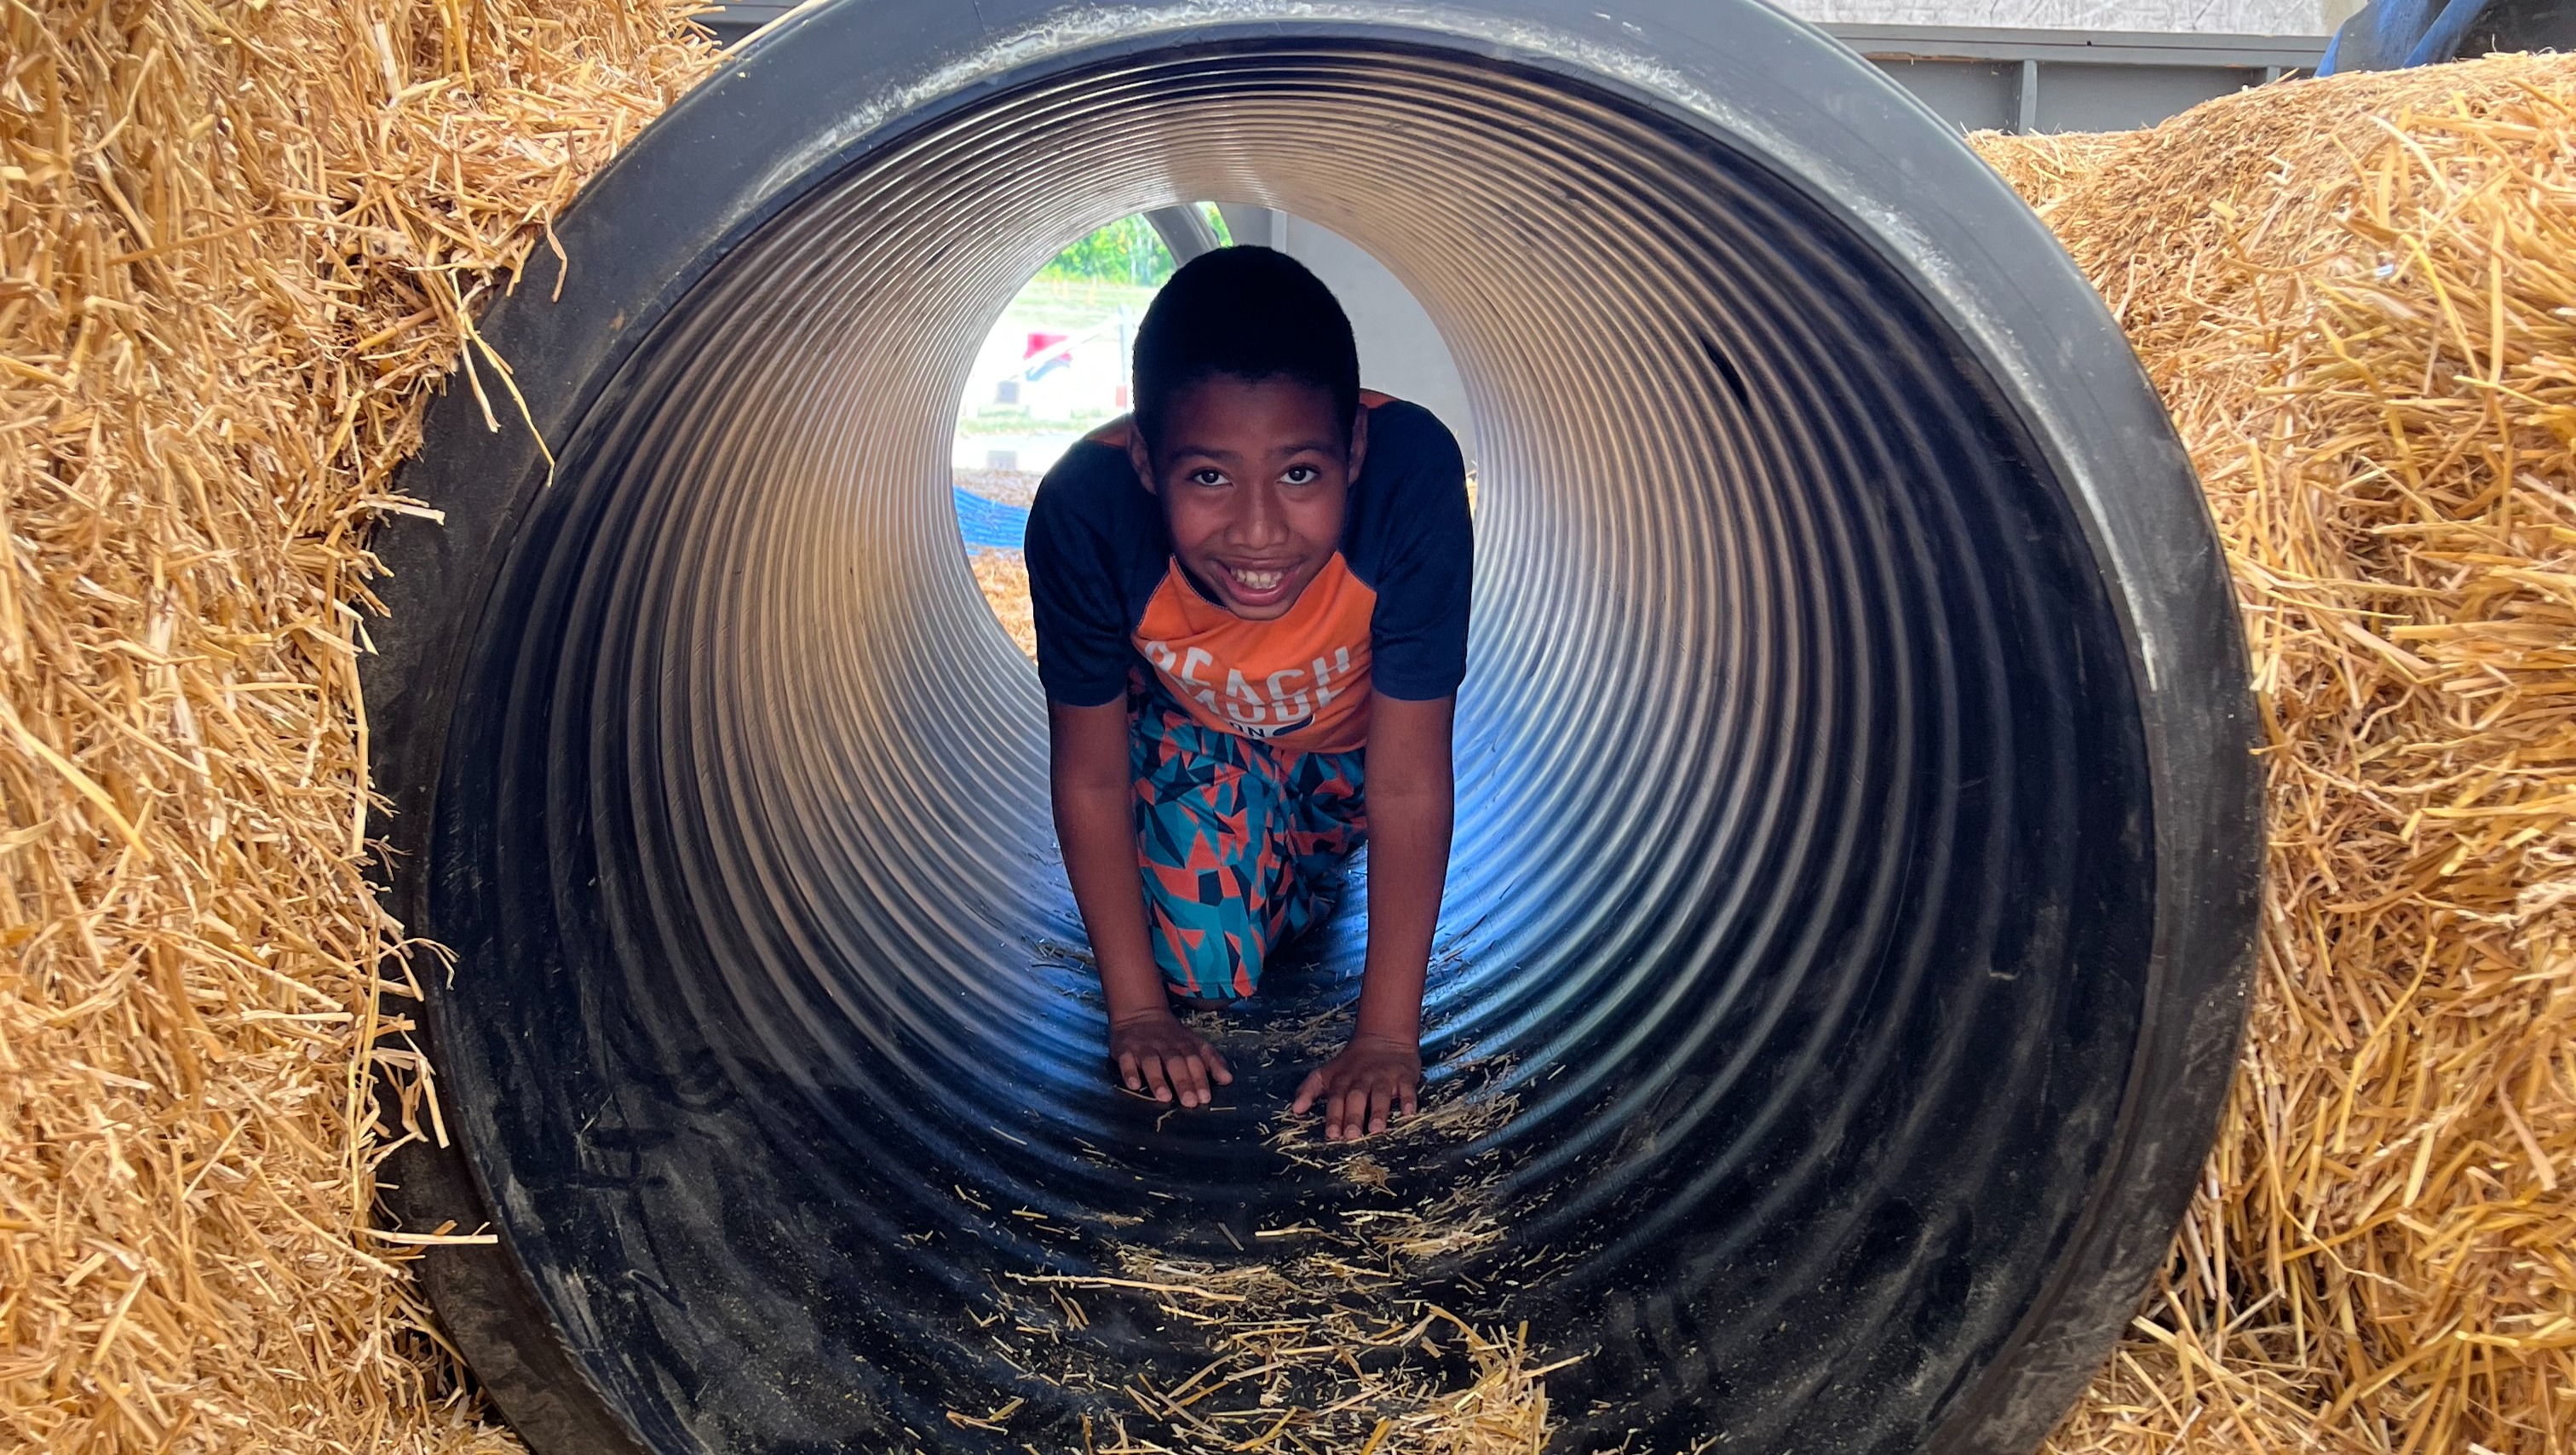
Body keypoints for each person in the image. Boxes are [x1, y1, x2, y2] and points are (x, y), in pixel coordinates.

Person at [1026, 245, 1471, 1142]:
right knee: (1205, 967)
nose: (1259, 530)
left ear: (1352, 448)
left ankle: (1300, 859)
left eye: (1300, 474)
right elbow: (1092, 775)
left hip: (1354, 757)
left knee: (1321, 843)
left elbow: (1410, 779)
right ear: (1146, 460)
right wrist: (1136, 1013)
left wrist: (1386, 1037)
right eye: (1210, 477)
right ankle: (1271, 861)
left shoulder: (1411, 478)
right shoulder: (1087, 511)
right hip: (1202, 737)